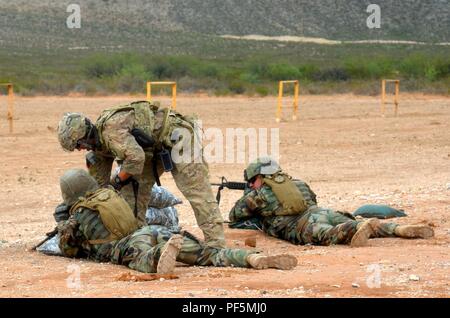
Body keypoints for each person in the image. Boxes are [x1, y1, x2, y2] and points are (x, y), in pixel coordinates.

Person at [54, 169, 298, 274]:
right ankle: (250, 258)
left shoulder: (79, 214)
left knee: (141, 260)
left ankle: (161, 254)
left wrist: (64, 225)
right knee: (205, 254)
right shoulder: (109, 194)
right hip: (149, 231)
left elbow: (70, 250)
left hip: (126, 246)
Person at [57, 101, 225, 248]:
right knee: (131, 196)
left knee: (196, 191)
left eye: (78, 144)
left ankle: (215, 243)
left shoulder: (111, 132)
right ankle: (137, 239)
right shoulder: (99, 148)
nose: (80, 149)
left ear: (84, 135)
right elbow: (97, 190)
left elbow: (136, 159)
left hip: (177, 137)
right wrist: (73, 213)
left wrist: (116, 181)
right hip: (151, 150)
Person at [229, 157, 434, 247]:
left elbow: (235, 216)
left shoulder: (259, 195)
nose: (251, 184)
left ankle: (356, 228)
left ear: (258, 177)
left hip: (299, 225)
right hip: (320, 211)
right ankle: (398, 229)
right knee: (337, 221)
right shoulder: (297, 183)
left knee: (326, 235)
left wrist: (248, 195)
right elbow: (312, 199)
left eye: (251, 181)